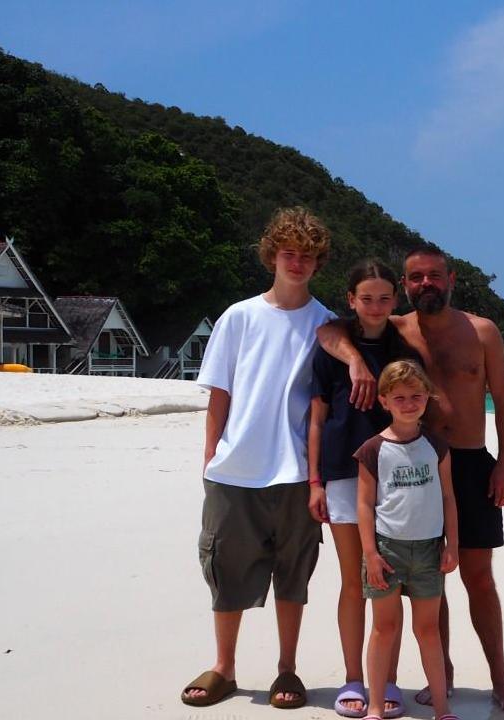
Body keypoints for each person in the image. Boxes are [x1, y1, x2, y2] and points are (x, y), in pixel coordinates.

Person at [317, 244, 504, 715]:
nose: (425, 284)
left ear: (450, 278)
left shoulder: (482, 331)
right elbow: (329, 330)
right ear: (405, 286)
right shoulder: (395, 327)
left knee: (478, 577)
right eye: (416, 278)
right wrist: (353, 358)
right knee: (433, 578)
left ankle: (500, 679)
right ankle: (443, 674)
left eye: (434, 275)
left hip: (471, 463)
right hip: (417, 464)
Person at [181, 207, 336, 708]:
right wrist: (211, 456)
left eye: (308, 256)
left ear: (318, 263)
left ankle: (287, 668)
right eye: (289, 253)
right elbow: (219, 393)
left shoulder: (327, 325)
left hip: (296, 470)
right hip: (235, 468)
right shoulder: (239, 316)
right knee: (226, 570)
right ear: (272, 255)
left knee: (294, 571)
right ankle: (224, 666)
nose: (297, 262)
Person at [308, 260, 424, 718]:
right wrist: (314, 480)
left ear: (395, 301)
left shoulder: (404, 348)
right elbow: (316, 418)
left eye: (384, 298)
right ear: (350, 300)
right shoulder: (333, 349)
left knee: (388, 578)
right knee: (353, 579)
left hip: (395, 476)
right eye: (366, 298)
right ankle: (353, 677)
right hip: (340, 472)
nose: (375, 307)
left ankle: (388, 679)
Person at [356, 360, 460, 720]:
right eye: (399, 397)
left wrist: (453, 545)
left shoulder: (436, 445)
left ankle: (442, 709)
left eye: (416, 396)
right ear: (384, 400)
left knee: (427, 629)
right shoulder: (373, 449)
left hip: (430, 549)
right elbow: (365, 504)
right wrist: (370, 553)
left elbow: (448, 496)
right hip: (387, 549)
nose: (408, 403)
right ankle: (374, 706)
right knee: (384, 628)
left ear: (427, 397)